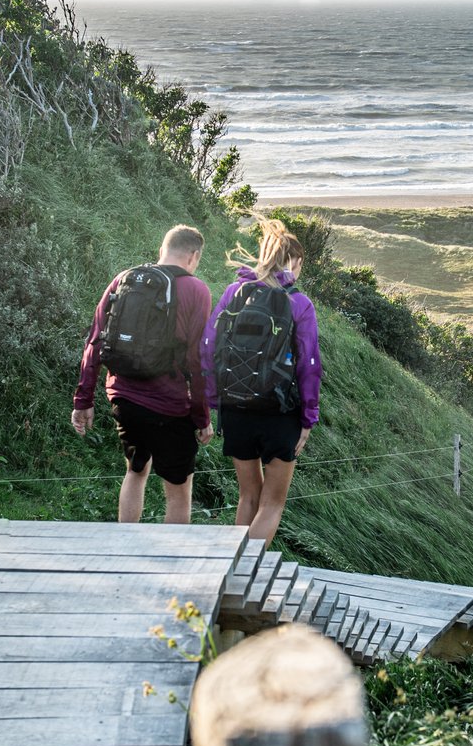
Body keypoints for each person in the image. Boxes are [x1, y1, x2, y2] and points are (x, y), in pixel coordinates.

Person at [72, 225, 213, 524]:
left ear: (163, 249)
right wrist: (202, 417)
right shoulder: (197, 289)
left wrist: (83, 399)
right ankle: (172, 566)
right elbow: (197, 359)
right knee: (178, 490)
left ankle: (127, 553)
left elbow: (95, 340)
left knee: (135, 472)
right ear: (193, 256)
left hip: (125, 398)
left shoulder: (125, 279)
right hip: (170, 407)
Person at [201, 219, 322, 545]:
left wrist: (214, 400)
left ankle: (231, 570)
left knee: (247, 497)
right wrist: (308, 419)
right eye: (299, 265)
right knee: (272, 504)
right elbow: (310, 366)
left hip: (236, 409)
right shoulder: (299, 303)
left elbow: (209, 346)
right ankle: (243, 576)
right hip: (279, 412)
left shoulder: (234, 292)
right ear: (293, 262)